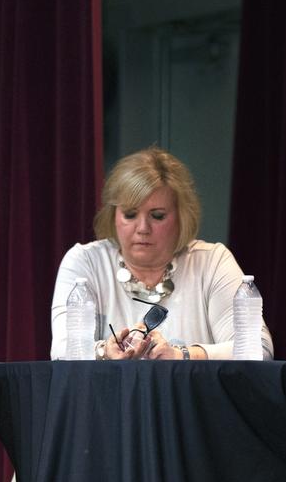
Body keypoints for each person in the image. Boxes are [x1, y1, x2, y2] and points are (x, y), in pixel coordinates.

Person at [50, 146, 273, 361]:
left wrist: (182, 355)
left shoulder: (212, 262)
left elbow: (258, 349)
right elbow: (61, 351)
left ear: (181, 217)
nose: (142, 228)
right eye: (130, 215)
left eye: (157, 216)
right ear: (113, 216)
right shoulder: (85, 262)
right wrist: (103, 352)